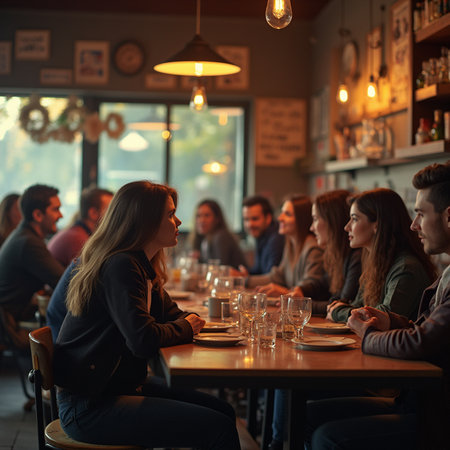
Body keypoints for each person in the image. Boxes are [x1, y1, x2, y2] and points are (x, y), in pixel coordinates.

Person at [53, 181, 241, 449]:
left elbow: (172, 315)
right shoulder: (121, 265)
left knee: (223, 412)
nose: (178, 221)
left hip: (116, 386)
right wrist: (187, 327)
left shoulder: (141, 264)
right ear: (144, 221)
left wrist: (193, 323)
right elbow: (142, 340)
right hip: (90, 406)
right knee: (219, 426)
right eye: (169, 214)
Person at [306, 161, 450, 450]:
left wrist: (369, 334)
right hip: (417, 401)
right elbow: (427, 330)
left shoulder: (407, 267)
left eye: (421, 214)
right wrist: (390, 322)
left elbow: (421, 342)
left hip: (436, 418)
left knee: (326, 436)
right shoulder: (446, 273)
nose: (414, 224)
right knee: (305, 413)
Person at [268, 190, 362, 450]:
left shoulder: (356, 258)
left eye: (315, 219)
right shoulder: (339, 255)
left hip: (358, 370)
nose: (311, 227)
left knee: (285, 376)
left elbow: (342, 305)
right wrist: (301, 293)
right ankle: (277, 441)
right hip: (347, 354)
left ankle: (278, 443)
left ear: (330, 222)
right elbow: (319, 284)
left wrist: (298, 300)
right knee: (282, 372)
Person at [327, 188, 436, 323]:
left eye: (354, 219)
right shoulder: (377, 262)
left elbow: (382, 317)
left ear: (376, 225)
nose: (347, 227)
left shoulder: (406, 267)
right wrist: (343, 310)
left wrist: (337, 312)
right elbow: (357, 306)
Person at [0, 184, 64, 340]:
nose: (61, 215)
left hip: (13, 319)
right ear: (38, 215)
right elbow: (66, 283)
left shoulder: (24, 236)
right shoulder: (28, 243)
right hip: (11, 326)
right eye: (55, 209)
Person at [246, 194, 327, 299]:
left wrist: (284, 292)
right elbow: (278, 276)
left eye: (287, 214)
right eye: (282, 212)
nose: (280, 218)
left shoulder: (313, 249)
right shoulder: (291, 244)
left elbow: (307, 291)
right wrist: (243, 281)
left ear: (301, 219)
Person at [48, 186, 113, 267]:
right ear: (93, 213)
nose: (114, 215)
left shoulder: (76, 233)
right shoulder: (78, 240)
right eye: (110, 210)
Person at [190, 198, 248, 269]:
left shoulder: (220, 237)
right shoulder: (207, 239)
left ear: (217, 219)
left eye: (207, 215)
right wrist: (199, 258)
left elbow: (220, 269)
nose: (202, 220)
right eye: (198, 216)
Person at [239, 195, 284, 275]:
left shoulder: (276, 239)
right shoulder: (261, 236)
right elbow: (259, 270)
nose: (250, 224)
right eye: (246, 219)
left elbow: (271, 277)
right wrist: (245, 273)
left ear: (268, 218)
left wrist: (246, 278)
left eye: (255, 219)